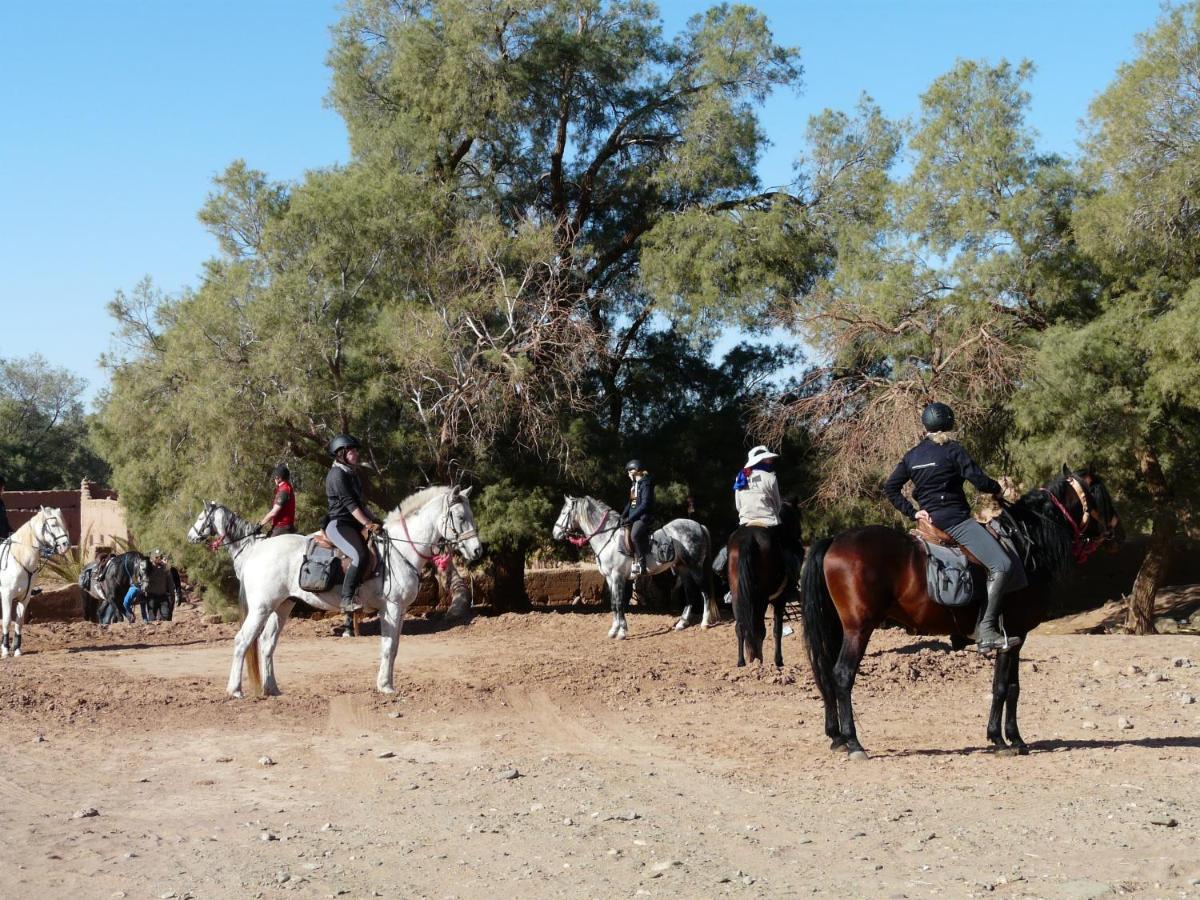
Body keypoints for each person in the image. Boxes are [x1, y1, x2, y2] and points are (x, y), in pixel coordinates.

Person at [883, 402, 1017, 652]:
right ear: (950, 424)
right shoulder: (953, 450)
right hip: (956, 522)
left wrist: (912, 511)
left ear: (926, 426)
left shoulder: (912, 455)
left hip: (928, 523)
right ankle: (987, 630)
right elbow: (978, 480)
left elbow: (890, 488)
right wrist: (998, 488)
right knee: (1002, 565)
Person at [324, 435, 382, 612]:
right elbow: (351, 506)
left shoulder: (352, 473)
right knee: (360, 555)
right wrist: (368, 523)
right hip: (340, 524)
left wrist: (376, 520)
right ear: (341, 454)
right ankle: (346, 598)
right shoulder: (337, 474)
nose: (356, 454)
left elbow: (361, 504)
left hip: (355, 524)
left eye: (356, 450)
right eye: (352, 451)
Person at [621, 459, 654, 575]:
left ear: (637, 470)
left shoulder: (646, 484)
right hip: (635, 516)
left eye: (630, 470)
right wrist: (623, 516)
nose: (629, 472)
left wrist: (630, 518)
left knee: (634, 535)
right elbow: (632, 504)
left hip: (643, 517)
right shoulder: (634, 485)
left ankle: (642, 564)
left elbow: (645, 505)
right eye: (628, 471)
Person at [260, 464, 297, 536]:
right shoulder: (285, 488)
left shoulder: (284, 490)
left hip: (282, 527)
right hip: (281, 526)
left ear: (279, 478)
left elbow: (274, 512)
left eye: (275, 477)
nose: (274, 479)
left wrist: (260, 524)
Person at [0, 474, 12, 542]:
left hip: (4, 539)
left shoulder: (1, 502)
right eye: (3, 488)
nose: (3, 491)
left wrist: (11, 532)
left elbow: (4, 520)